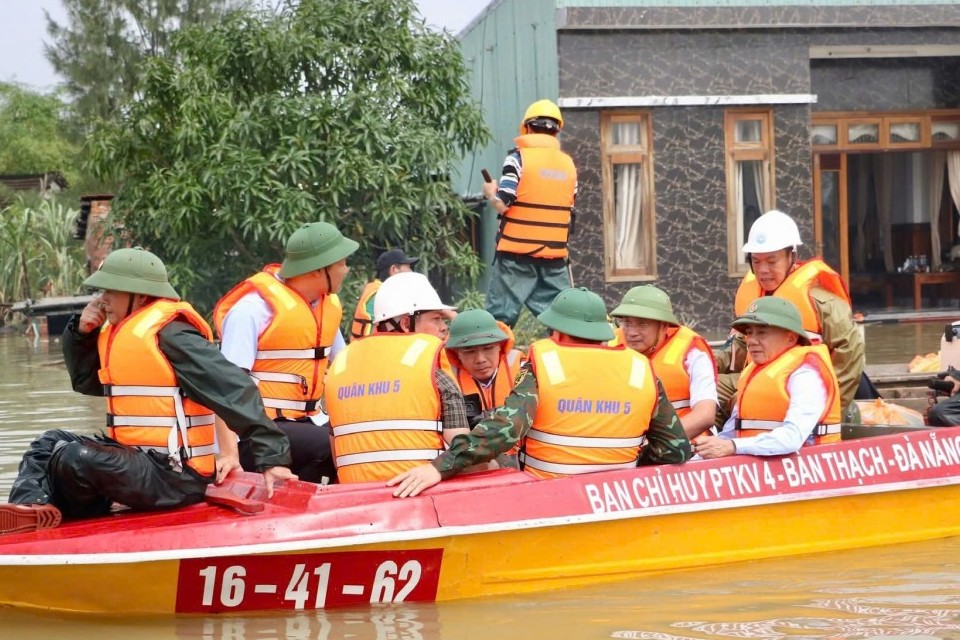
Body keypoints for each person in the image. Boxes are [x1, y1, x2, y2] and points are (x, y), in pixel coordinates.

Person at [0, 248, 294, 535]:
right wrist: (82, 336)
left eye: (111, 292)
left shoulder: (174, 335)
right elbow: (87, 383)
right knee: (48, 443)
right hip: (139, 462)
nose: (103, 300)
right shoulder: (119, 332)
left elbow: (236, 389)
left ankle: (73, 517)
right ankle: (29, 511)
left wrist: (274, 459)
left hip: (176, 475)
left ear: (138, 295)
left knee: (78, 457)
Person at [388, 287, 693, 498]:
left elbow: (506, 430)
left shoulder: (543, 361)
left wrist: (441, 467)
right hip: (617, 495)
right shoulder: (641, 368)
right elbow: (676, 449)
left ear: (556, 330)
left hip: (552, 494)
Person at [214, 222, 358, 484]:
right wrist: (228, 453)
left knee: (358, 444)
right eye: (342, 263)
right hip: (257, 433)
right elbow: (224, 390)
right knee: (335, 448)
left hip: (308, 422)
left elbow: (347, 368)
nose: (347, 270)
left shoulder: (326, 308)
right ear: (318, 270)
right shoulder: (250, 311)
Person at [715, 209, 864, 424]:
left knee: (752, 395)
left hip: (802, 382)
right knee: (707, 390)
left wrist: (825, 407)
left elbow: (849, 356)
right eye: (756, 262)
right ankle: (707, 448)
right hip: (758, 375)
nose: (763, 270)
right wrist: (704, 365)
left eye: (772, 261)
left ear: (791, 256)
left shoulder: (822, 301)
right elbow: (739, 345)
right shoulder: (753, 295)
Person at [324, 271, 471, 483]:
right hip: (419, 497)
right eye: (436, 319)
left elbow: (338, 455)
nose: (443, 328)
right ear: (405, 323)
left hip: (356, 497)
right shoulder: (434, 371)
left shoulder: (342, 366)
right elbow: (463, 451)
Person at [694, 297, 842, 459]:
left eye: (762, 333)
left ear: (791, 338)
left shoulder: (806, 372)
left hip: (811, 469)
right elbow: (730, 434)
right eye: (749, 333)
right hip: (757, 466)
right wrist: (703, 453)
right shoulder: (752, 372)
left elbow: (792, 438)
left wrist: (733, 446)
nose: (751, 341)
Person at [483, 98, 578, 329]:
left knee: (497, 325)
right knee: (565, 324)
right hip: (554, 260)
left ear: (526, 127)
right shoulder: (569, 166)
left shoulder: (517, 159)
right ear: (557, 131)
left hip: (515, 259)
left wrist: (489, 193)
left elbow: (503, 203)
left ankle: (494, 365)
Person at [610, 286, 718, 440]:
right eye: (626, 323)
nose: (632, 332)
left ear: (664, 326)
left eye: (642, 324)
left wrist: (653, 445)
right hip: (624, 446)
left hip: (682, 450)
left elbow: (705, 415)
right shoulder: (610, 344)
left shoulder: (692, 352)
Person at [445, 309, 525, 467]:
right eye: (469, 351)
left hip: (525, 463)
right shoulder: (446, 380)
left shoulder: (523, 369)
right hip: (477, 465)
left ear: (500, 346)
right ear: (456, 352)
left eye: (488, 348)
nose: (480, 359)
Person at [349, 248, 419, 341]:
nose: (411, 272)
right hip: (371, 351)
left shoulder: (378, 291)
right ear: (394, 270)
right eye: (409, 267)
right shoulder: (384, 295)